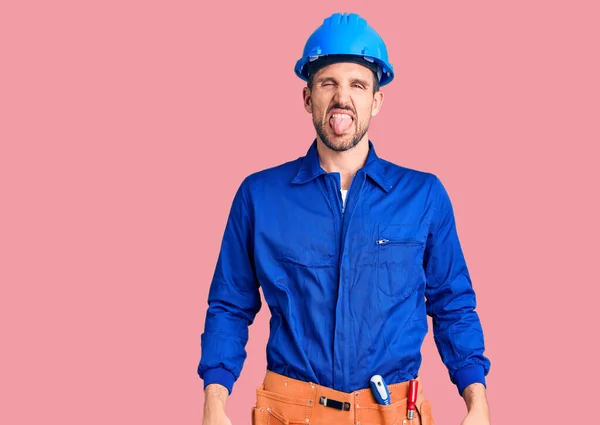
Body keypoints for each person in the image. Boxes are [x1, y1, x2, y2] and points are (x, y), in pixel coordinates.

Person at [199, 12, 491, 425]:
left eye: (357, 84)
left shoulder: (423, 196)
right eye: (327, 83)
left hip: (394, 413)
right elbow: (229, 305)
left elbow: (453, 305)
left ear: (377, 100)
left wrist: (476, 401)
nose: (342, 98)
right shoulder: (259, 196)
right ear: (307, 98)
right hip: (290, 413)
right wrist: (215, 401)